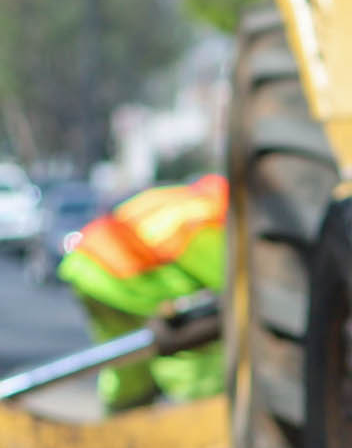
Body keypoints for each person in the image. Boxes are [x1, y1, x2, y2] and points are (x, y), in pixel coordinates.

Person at [59, 173, 227, 413]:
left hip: (88, 266)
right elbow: (229, 286)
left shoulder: (190, 203)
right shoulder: (211, 223)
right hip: (119, 274)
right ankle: (200, 422)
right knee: (194, 353)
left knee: (127, 364)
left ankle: (119, 427)